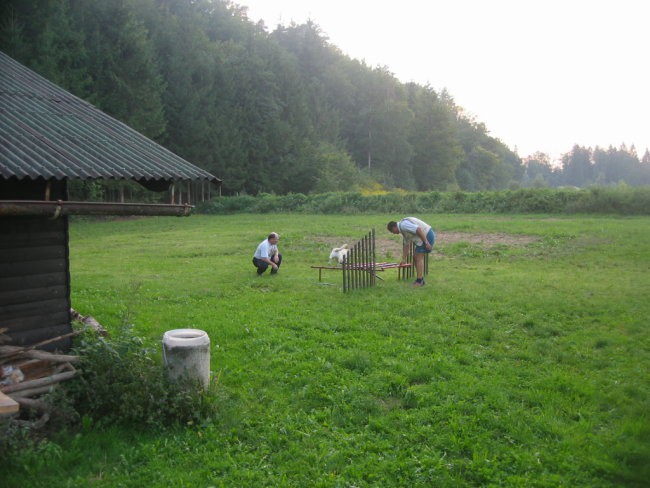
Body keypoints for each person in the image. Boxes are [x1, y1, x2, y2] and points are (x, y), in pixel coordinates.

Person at [387, 217, 435, 287]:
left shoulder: (403, 225)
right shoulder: (403, 230)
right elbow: (406, 245)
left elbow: (418, 229)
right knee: (415, 257)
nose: (393, 233)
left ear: (394, 227)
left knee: (418, 257)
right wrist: (403, 259)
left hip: (426, 235)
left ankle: (420, 281)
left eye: (392, 231)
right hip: (423, 237)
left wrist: (426, 242)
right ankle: (420, 279)